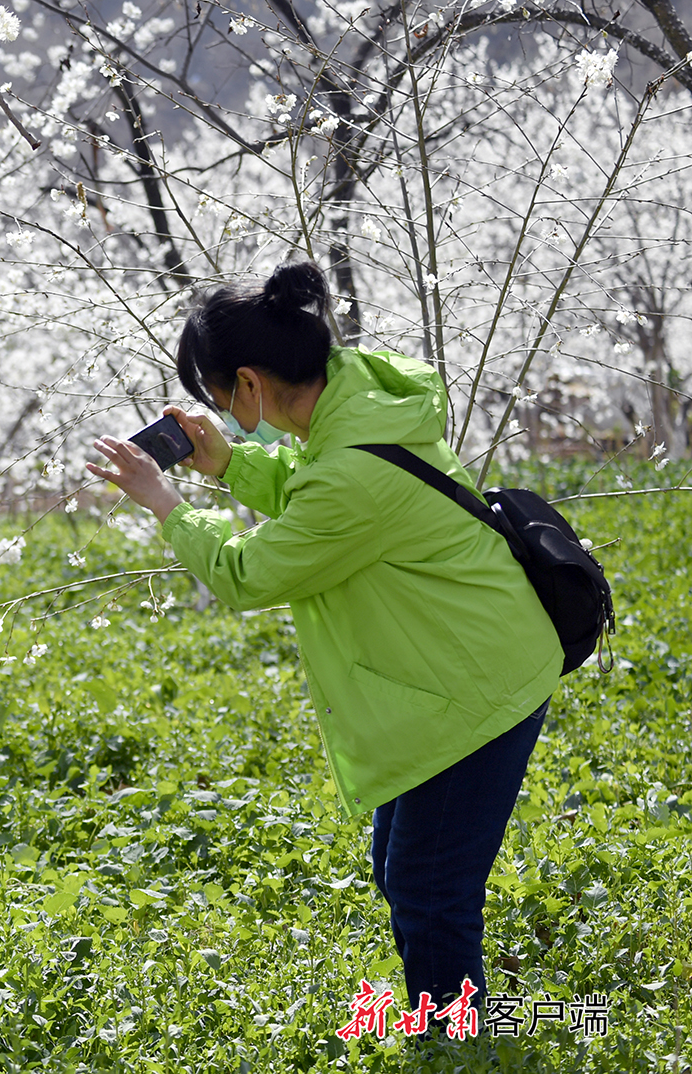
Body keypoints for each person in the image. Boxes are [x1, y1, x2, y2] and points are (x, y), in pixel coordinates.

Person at [87, 260, 563, 1018]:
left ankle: (452, 1038)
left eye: (215, 394)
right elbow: (322, 492)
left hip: (476, 687)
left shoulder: (347, 466)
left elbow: (249, 573)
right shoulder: (358, 401)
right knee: (401, 865)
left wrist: (167, 502)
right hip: (457, 662)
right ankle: (450, 1019)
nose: (218, 409)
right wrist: (231, 463)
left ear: (248, 382)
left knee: (427, 885)